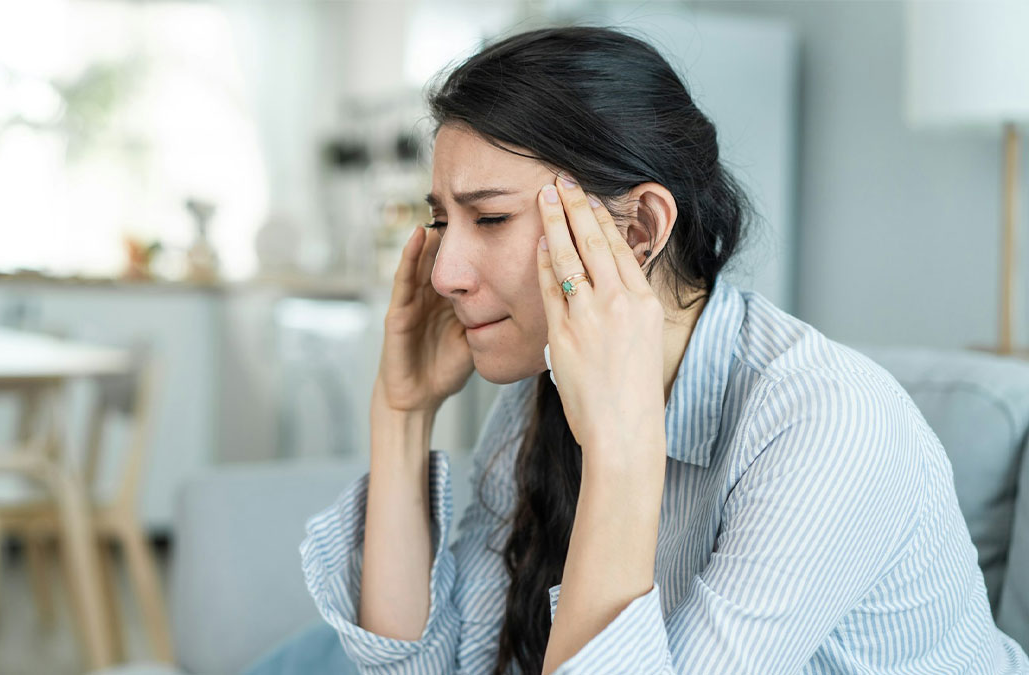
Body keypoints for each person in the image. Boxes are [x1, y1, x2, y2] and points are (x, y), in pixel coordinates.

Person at [297, 26, 1029, 674]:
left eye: (489, 218)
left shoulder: (827, 425)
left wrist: (619, 451)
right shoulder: (543, 391)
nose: (445, 272)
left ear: (640, 229)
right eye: (441, 220)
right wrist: (402, 412)